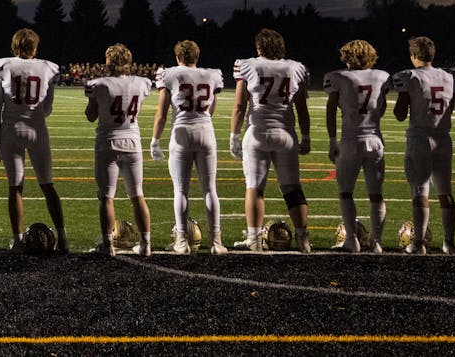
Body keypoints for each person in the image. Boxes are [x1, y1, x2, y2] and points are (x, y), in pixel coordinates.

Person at [230, 28, 312, 253]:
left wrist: (233, 135)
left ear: (259, 47)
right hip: (285, 134)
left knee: (255, 187)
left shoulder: (247, 65)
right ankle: (303, 239)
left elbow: (239, 105)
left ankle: (255, 240)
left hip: (257, 133)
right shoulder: (296, 67)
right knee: (292, 188)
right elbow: (302, 108)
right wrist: (306, 136)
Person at [0, 28, 66, 252]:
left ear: (15, 46)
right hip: (36, 129)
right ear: (34, 47)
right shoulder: (48, 67)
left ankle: (17, 240)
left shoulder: (3, 66)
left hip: (11, 129)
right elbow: (48, 108)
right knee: (47, 185)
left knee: (15, 187)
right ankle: (62, 238)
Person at [149, 39, 225, 254]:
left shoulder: (169, 74)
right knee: (210, 190)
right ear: (197, 57)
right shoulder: (212, 74)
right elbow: (211, 109)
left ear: (177, 57)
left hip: (181, 132)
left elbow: (162, 113)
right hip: (205, 132)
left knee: (181, 190)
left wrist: (155, 140)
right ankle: (217, 242)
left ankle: (182, 241)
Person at [389, 35, 455, 254]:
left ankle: (418, 243)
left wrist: (405, 99)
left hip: (420, 137)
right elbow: (452, 106)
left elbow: (400, 114)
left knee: (420, 191)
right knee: (445, 192)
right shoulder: (448, 76)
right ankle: (449, 243)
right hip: (443, 138)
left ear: (413, 56)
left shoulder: (410, 76)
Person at [84, 43, 154, 256]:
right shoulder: (142, 82)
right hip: (132, 142)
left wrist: (96, 102)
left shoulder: (100, 84)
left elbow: (90, 115)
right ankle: (146, 244)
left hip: (108, 142)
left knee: (106, 197)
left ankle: (107, 245)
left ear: (108, 62)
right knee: (137, 195)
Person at [324, 39, 390, 252]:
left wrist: (332, 140)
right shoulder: (382, 76)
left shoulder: (339, 77)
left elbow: (331, 110)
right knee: (376, 194)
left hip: (351, 140)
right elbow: (381, 108)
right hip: (375, 140)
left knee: (345, 192)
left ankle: (352, 239)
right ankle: (376, 241)